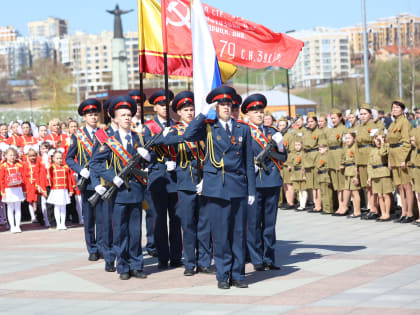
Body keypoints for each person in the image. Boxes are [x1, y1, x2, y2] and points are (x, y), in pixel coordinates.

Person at [181, 85, 256, 289]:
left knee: (238, 233)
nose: (225, 107)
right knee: (221, 234)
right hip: (217, 187)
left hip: (238, 186)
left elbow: (249, 161)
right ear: (216, 106)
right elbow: (188, 135)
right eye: (221, 104)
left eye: (228, 104)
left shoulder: (243, 128)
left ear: (233, 106)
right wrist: (203, 113)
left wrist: (251, 190)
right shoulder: (208, 127)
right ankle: (223, 275)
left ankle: (238, 274)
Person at [90, 95, 151, 280]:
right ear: (114, 118)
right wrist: (112, 177)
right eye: (122, 115)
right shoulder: (110, 141)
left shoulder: (139, 138)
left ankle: (136, 265)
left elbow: (153, 159)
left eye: (128, 115)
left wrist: (148, 156)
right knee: (121, 231)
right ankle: (123, 266)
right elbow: (95, 163)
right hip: (118, 193)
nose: (126, 118)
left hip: (136, 191)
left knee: (135, 231)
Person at [160, 91, 212, 276]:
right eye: (186, 110)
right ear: (179, 113)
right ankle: (190, 263)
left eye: (192, 109)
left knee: (204, 225)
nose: (190, 113)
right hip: (185, 184)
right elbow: (163, 142)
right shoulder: (175, 130)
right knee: (188, 225)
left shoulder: (204, 130)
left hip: (204, 183)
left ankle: (204, 261)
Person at [241, 93, 284, 271]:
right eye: (255, 112)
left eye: (261, 111)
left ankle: (269, 257)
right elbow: (238, 157)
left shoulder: (272, 132)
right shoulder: (243, 131)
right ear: (248, 114)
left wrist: (279, 146)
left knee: (269, 224)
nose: (259, 115)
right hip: (254, 183)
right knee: (253, 224)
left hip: (272, 181)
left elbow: (283, 157)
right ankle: (256, 258)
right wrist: (250, 167)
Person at [144, 89, 183, 269]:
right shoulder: (147, 127)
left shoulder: (175, 125)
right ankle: (162, 256)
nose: (164, 108)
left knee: (176, 219)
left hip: (174, 177)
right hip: (158, 176)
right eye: (161, 105)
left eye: (166, 105)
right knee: (159, 219)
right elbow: (147, 148)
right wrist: (163, 136)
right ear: (154, 107)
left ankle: (176, 255)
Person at [66, 99, 104, 260]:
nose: (93, 118)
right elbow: (69, 158)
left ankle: (102, 247)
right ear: (84, 117)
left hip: (102, 181)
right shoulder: (78, 136)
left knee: (102, 217)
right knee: (89, 217)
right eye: (90, 115)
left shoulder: (104, 134)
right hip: (87, 181)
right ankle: (92, 249)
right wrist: (80, 170)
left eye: (95, 115)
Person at [387, 101, 414, 223]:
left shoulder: (404, 122)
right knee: (399, 187)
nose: (394, 109)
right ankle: (403, 212)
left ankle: (410, 213)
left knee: (406, 186)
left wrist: (403, 159)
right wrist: (389, 160)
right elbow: (389, 143)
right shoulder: (393, 124)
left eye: (397, 107)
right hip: (393, 156)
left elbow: (406, 143)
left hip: (402, 156)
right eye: (393, 107)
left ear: (403, 109)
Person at [356, 105, 383, 220]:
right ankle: (371, 208)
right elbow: (356, 145)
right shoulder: (360, 127)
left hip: (371, 156)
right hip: (361, 157)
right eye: (361, 114)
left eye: (365, 114)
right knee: (367, 186)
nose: (362, 116)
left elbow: (378, 141)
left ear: (370, 114)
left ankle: (375, 209)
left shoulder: (375, 126)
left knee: (372, 185)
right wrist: (356, 163)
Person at [367, 132, 393, 221]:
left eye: (379, 140)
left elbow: (382, 153)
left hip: (384, 173)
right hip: (375, 174)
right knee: (379, 195)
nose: (378, 142)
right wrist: (370, 176)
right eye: (376, 139)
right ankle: (383, 213)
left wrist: (383, 142)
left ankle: (387, 213)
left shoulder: (386, 147)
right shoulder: (372, 150)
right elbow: (369, 164)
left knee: (385, 194)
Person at [47, 150, 75, 230]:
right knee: (56, 207)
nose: (59, 160)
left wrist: (71, 190)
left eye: (60, 158)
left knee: (63, 207)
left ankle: (63, 223)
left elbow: (69, 179)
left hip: (63, 190)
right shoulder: (51, 167)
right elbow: (49, 175)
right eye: (57, 158)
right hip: (55, 190)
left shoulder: (65, 168)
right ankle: (58, 223)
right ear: (53, 159)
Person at [0, 147, 26, 233]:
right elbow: (2, 180)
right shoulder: (3, 166)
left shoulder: (19, 165)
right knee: (10, 208)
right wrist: (3, 192)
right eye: (10, 155)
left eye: (14, 155)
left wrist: (24, 190)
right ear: (6, 156)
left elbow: (23, 177)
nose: (12, 157)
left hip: (17, 188)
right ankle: (12, 226)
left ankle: (17, 225)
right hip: (8, 190)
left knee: (18, 208)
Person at [326, 109, 347, 213]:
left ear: (340, 118)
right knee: (337, 185)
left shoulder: (344, 129)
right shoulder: (330, 130)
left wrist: (343, 161)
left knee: (342, 184)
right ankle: (340, 206)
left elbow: (345, 147)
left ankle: (344, 206)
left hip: (339, 156)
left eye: (334, 118)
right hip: (332, 158)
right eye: (331, 118)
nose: (333, 120)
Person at [337, 132, 361, 218]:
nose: (347, 140)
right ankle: (352, 209)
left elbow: (357, 161)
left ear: (354, 139)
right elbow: (343, 157)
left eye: (349, 138)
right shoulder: (346, 147)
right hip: (348, 170)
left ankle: (357, 211)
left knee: (355, 192)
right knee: (349, 191)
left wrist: (356, 175)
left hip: (353, 170)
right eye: (346, 138)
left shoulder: (355, 147)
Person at [302, 112, 322, 212]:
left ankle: (319, 205)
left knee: (317, 184)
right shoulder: (306, 132)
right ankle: (315, 204)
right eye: (308, 122)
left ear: (316, 122)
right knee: (312, 184)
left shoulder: (319, 132)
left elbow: (322, 147)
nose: (310, 123)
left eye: (312, 121)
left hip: (316, 157)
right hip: (307, 159)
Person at [278, 117, 295, 209]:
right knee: (284, 183)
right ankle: (288, 201)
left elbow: (292, 151)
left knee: (289, 183)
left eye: (283, 125)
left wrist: (290, 163)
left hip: (287, 161)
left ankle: (291, 202)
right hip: (280, 162)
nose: (281, 127)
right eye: (280, 125)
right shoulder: (279, 136)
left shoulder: (289, 136)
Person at [316, 141, 333, 214]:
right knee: (323, 193)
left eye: (321, 148)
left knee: (327, 194)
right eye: (319, 149)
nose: (320, 150)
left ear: (326, 148)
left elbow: (324, 166)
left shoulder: (327, 156)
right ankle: (325, 208)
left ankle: (328, 209)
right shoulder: (320, 156)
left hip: (325, 176)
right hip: (321, 176)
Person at [291, 140, 306, 211]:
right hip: (296, 172)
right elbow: (292, 164)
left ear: (302, 145)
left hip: (301, 172)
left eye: (299, 145)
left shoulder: (303, 154)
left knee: (303, 189)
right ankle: (301, 204)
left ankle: (303, 205)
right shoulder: (294, 154)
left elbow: (304, 164)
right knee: (299, 190)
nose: (297, 146)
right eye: (296, 145)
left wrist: (304, 174)